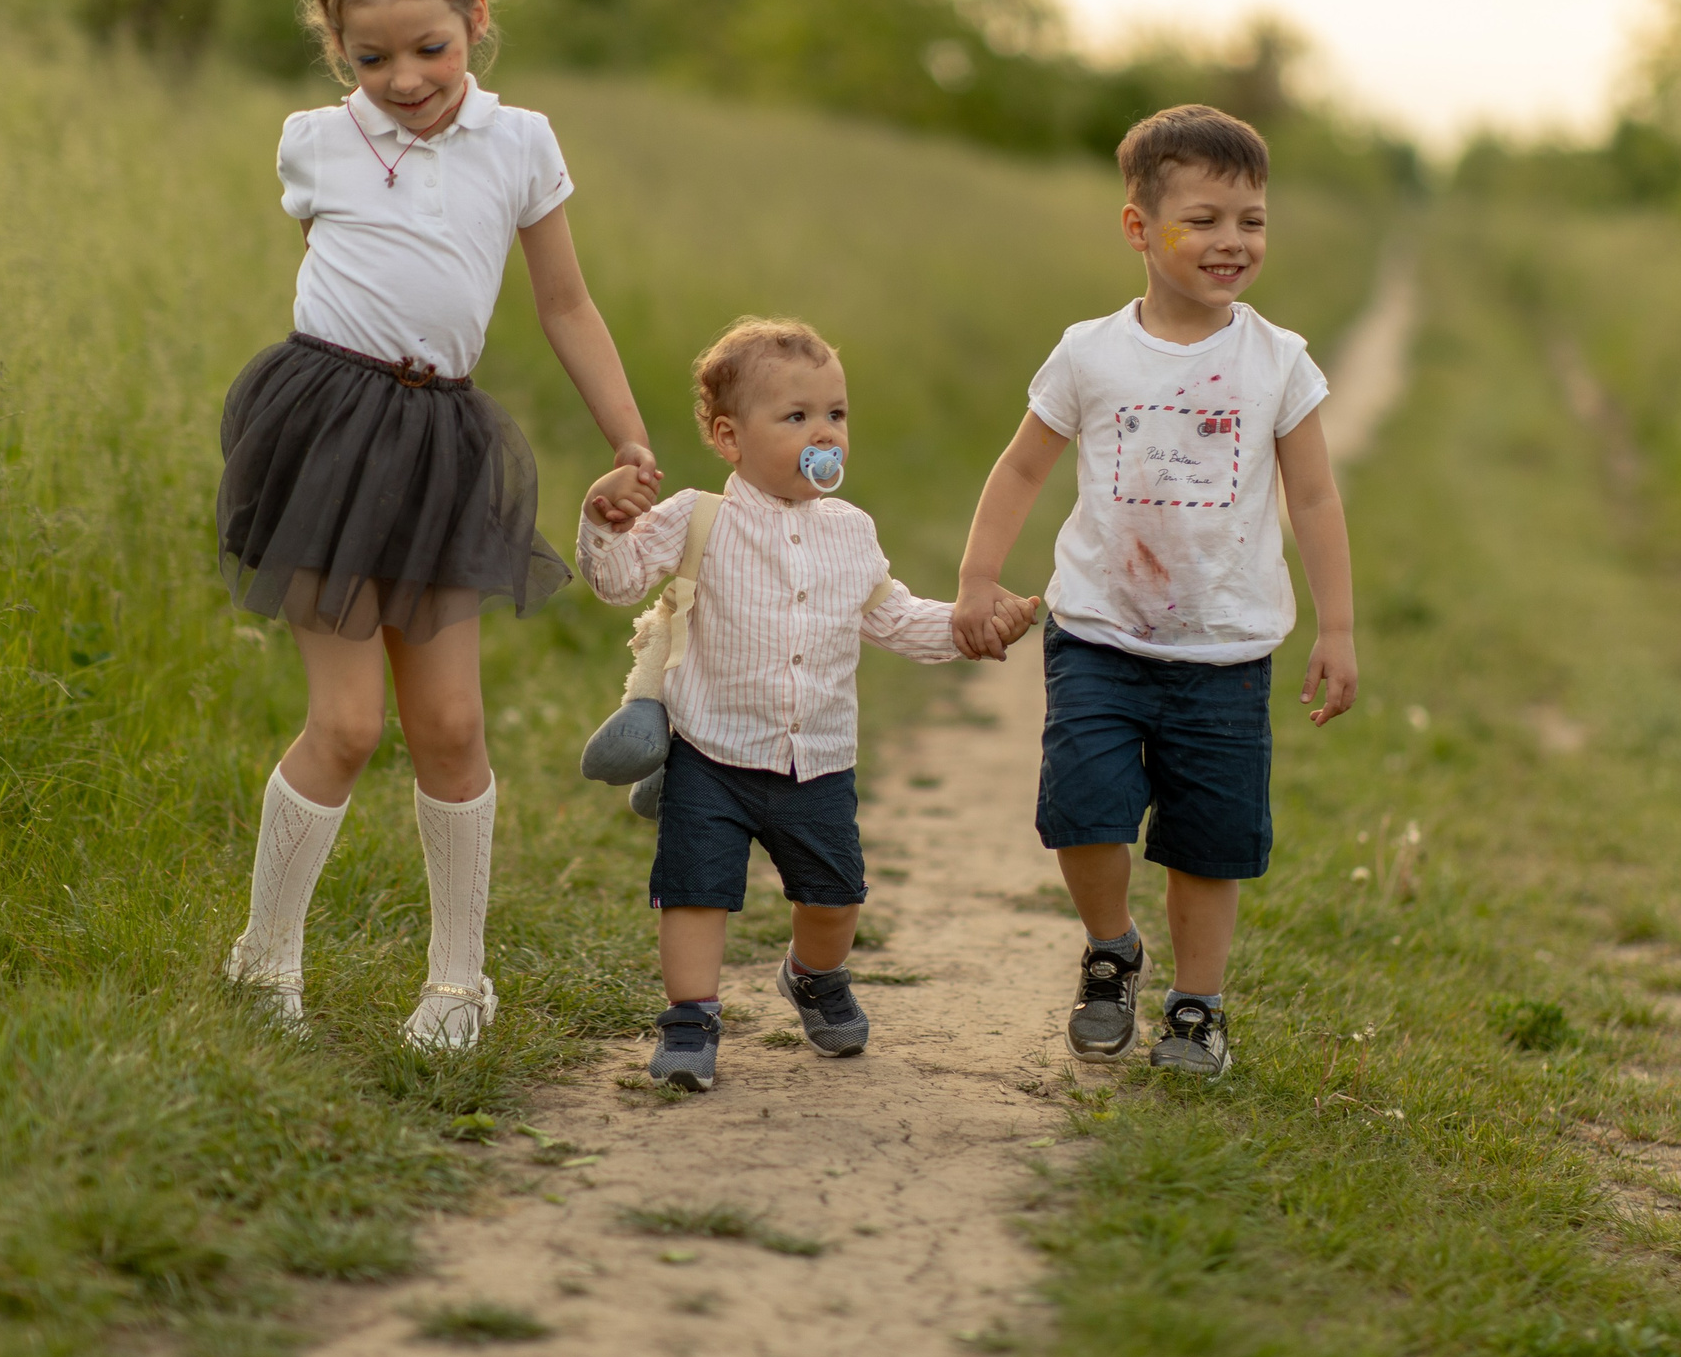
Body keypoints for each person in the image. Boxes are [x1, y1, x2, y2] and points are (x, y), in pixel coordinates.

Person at [217, 0, 661, 1050]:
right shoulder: (315, 144)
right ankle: (265, 958)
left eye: (429, 50)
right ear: (337, 49)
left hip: (441, 439)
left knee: (453, 726)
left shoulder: (520, 143)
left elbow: (565, 304)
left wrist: (628, 431)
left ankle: (458, 982)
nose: (405, 79)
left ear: (473, 23)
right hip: (325, 432)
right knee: (350, 723)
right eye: (373, 59)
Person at [949, 104, 1358, 1080]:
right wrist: (974, 575)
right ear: (1138, 227)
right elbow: (1018, 469)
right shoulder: (1091, 352)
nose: (1232, 241)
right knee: (1084, 810)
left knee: (1208, 845)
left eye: (1251, 219)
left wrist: (1335, 624)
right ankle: (1111, 949)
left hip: (1224, 649)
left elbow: (1313, 495)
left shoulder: (1277, 362)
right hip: (1097, 629)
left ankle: (1197, 1005)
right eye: (1205, 218)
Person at [579, 318, 1038, 1091]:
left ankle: (813, 976)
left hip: (816, 759)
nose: (825, 432)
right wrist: (602, 520)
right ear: (729, 437)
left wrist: (967, 628)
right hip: (711, 753)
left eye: (837, 414)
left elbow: (891, 616)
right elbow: (619, 581)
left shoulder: (852, 532)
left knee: (833, 900)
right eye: (797, 417)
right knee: (695, 892)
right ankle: (690, 1019)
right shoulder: (699, 518)